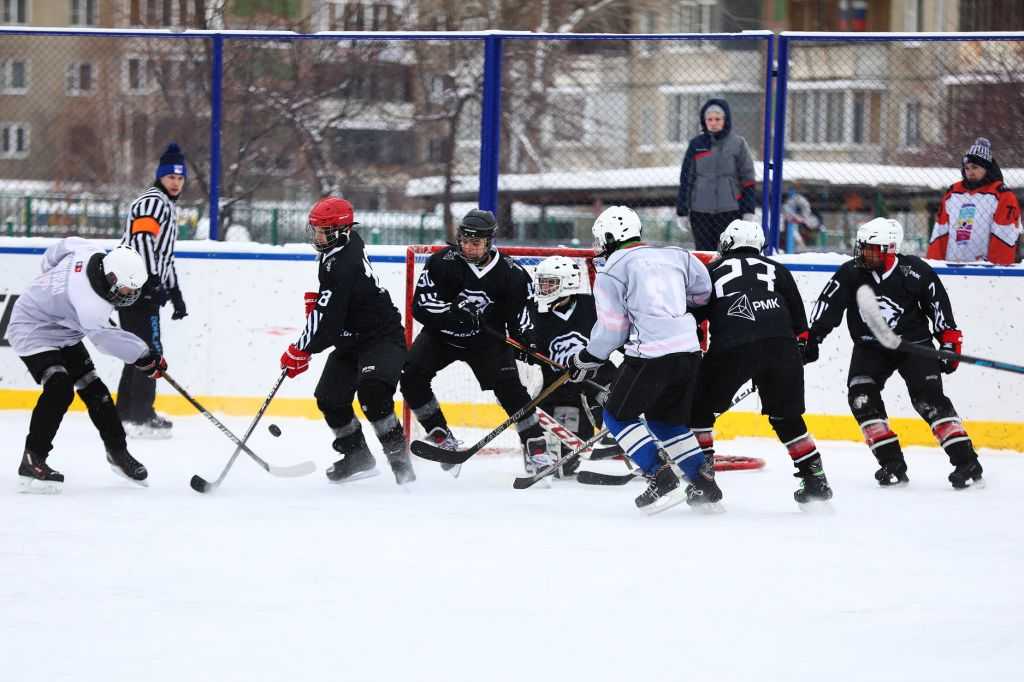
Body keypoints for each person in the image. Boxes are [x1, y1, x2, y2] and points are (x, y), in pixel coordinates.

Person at [806, 217, 983, 489]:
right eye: (862, 247)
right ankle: (892, 464)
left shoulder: (915, 272)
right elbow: (827, 306)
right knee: (862, 398)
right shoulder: (851, 273)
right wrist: (811, 337)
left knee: (929, 401)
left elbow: (938, 308)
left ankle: (966, 462)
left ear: (890, 249)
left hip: (915, 345)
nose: (864, 253)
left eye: (872, 249)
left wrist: (948, 342)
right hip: (870, 346)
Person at [567, 205, 715, 514]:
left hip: (650, 355)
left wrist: (587, 358)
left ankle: (660, 477)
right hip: (688, 353)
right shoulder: (679, 255)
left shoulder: (611, 270)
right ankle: (704, 485)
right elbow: (703, 294)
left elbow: (612, 330)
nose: (599, 246)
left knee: (617, 416)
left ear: (611, 236)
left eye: (600, 239)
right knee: (666, 421)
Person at [689, 219, 832, 505]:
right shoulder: (778, 270)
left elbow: (693, 315)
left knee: (698, 411)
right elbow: (801, 329)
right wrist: (799, 349)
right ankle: (815, 479)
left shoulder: (711, 269)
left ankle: (703, 481)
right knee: (787, 417)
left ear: (726, 243)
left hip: (732, 347)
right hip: (782, 348)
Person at [399, 208, 548, 476]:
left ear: (490, 242)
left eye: (475, 243)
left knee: (512, 391)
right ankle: (442, 438)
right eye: (464, 240)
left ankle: (536, 448)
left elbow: (522, 317)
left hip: (486, 342)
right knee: (411, 377)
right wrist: (453, 317)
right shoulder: (441, 262)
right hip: (441, 336)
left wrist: (528, 342)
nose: (468, 247)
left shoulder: (512, 273)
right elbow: (420, 305)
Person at [7, 239, 164, 493]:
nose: (130, 295)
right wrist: (145, 356)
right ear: (111, 278)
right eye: (126, 290)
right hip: (31, 327)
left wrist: (53, 289)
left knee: (95, 390)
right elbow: (105, 340)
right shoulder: (92, 305)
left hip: (65, 328)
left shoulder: (89, 250)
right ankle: (32, 459)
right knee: (60, 388)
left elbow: (55, 252)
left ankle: (118, 453)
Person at [279, 197, 413, 485]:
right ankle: (357, 457)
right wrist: (322, 315)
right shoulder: (345, 245)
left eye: (323, 231)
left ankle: (401, 463)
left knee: (373, 394)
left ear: (341, 231)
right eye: (315, 230)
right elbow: (333, 310)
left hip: (381, 338)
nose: (317, 237)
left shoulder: (342, 264)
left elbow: (328, 317)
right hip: (351, 340)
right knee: (329, 397)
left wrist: (301, 348)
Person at [116, 142, 189, 439]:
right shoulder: (154, 202)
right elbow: (144, 242)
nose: (176, 182)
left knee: (137, 350)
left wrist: (174, 292)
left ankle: (125, 414)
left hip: (139, 286)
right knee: (150, 351)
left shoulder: (166, 205)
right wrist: (151, 283)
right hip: (135, 288)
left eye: (180, 178)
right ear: (160, 176)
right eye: (171, 176)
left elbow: (163, 255)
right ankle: (141, 417)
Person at [529, 255, 622, 475]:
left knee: (621, 399)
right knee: (563, 465)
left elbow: (619, 335)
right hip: (558, 390)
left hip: (598, 380)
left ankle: (637, 446)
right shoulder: (533, 313)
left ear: (568, 282)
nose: (543, 288)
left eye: (550, 283)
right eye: (541, 282)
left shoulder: (594, 306)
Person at [675, 98, 758, 252]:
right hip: (700, 212)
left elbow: (748, 180)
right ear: (704, 121)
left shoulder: (738, 144)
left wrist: (748, 210)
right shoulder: (696, 145)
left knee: (730, 253)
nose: (713, 123)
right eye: (709, 119)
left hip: (730, 211)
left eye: (717, 119)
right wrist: (682, 211)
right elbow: (686, 179)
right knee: (704, 254)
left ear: (725, 120)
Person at [927, 137, 1021, 265]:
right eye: (967, 168)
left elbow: (1004, 237)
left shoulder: (1002, 195)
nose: (970, 172)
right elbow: (939, 234)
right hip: (951, 266)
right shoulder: (953, 193)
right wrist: (934, 266)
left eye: (975, 167)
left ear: (987, 168)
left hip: (984, 269)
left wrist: (995, 271)